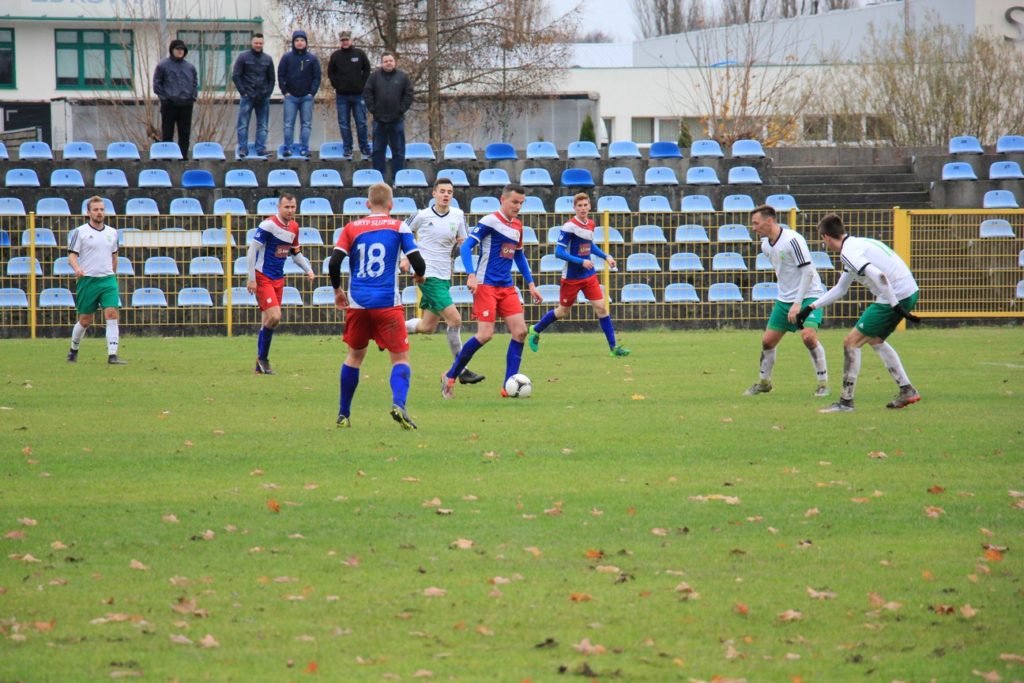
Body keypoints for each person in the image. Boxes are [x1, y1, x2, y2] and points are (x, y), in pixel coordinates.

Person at [795, 213, 922, 413]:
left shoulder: (849, 253)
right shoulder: (856, 245)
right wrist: (810, 308)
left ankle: (846, 402)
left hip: (894, 295)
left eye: (823, 240)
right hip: (908, 290)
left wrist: (895, 305)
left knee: (851, 342)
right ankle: (907, 389)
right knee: (874, 340)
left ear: (827, 237)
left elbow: (879, 276)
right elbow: (840, 289)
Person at [328, 182, 426, 429]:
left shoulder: (351, 228)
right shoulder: (399, 226)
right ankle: (399, 405)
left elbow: (334, 262)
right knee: (400, 358)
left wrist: (338, 291)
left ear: (367, 204)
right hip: (387, 303)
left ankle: (343, 414)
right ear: (391, 205)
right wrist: (420, 275)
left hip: (358, 303)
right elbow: (417, 261)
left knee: (354, 357)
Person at [441, 184, 543, 399]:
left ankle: (509, 386)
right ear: (502, 199)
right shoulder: (490, 221)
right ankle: (450, 375)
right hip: (486, 285)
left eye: (521, 203)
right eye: (514, 202)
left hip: (506, 286)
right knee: (485, 335)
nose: (518, 207)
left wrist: (531, 283)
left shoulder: (517, 226)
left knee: (521, 332)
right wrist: (471, 274)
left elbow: (519, 256)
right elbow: (466, 246)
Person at [402, 178, 485, 385]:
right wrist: (404, 258)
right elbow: (400, 232)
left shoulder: (458, 216)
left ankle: (393, 330)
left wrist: (469, 265)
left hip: (444, 275)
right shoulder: (422, 215)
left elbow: (464, 242)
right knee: (455, 320)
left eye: (449, 191)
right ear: (434, 194)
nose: (446, 194)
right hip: (427, 275)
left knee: (427, 326)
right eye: (442, 191)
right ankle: (461, 369)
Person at [527, 192, 630, 357]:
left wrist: (606, 256)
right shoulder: (569, 227)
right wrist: (580, 261)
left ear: (590, 206)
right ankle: (536, 329)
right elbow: (558, 252)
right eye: (579, 206)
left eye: (585, 205)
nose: (583, 208)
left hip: (588, 275)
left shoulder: (590, 223)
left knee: (602, 308)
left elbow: (589, 246)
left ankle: (614, 348)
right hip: (572, 278)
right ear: (574, 208)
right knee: (562, 311)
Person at [744, 204, 829, 397]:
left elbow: (807, 272)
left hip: (809, 294)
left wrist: (798, 303)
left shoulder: (793, 240)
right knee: (767, 342)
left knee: (808, 336)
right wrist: (789, 300)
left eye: (756, 223)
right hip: (785, 299)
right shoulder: (765, 245)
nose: (753, 228)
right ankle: (764, 383)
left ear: (769, 221)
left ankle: (822, 383)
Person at [246, 193, 316, 374]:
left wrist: (307, 269)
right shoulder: (268, 225)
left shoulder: (294, 227)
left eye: (293, 207)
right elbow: (252, 250)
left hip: (278, 278)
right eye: (287, 207)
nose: (290, 210)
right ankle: (263, 359)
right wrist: (251, 278)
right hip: (263, 277)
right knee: (275, 317)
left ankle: (259, 365)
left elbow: (295, 252)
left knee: (267, 322)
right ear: (279, 207)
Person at [66, 196, 127, 365]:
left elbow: (114, 256)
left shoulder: (112, 233)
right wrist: (77, 268)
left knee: (112, 313)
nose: (99, 213)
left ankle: (112, 355)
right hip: (88, 280)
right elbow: (71, 255)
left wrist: (112, 275)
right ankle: (73, 349)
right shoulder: (80, 232)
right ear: (88, 212)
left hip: (107, 280)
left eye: (101, 209)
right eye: (96, 210)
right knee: (85, 320)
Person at [363, 51, 413, 181]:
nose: (388, 63)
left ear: (394, 62)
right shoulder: (374, 77)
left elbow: (409, 95)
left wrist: (401, 110)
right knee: (378, 151)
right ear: (381, 63)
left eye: (390, 60)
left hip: (397, 121)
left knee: (398, 151)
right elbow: (367, 94)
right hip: (379, 121)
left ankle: (398, 179)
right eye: (385, 61)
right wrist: (374, 110)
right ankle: (378, 179)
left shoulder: (403, 77)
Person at [327, 30, 371, 160]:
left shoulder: (360, 54)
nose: (345, 42)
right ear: (340, 42)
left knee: (361, 122)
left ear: (351, 40)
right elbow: (331, 73)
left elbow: (367, 69)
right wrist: (337, 86)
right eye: (342, 40)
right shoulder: (335, 56)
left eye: (347, 40)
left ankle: (364, 147)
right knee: (344, 123)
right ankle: (347, 148)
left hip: (359, 95)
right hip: (342, 96)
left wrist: (362, 85)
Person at [277, 30, 321, 158]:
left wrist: (312, 93)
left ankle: (304, 148)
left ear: (306, 42)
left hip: (306, 98)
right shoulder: (286, 58)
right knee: (288, 124)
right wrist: (285, 92)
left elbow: (317, 77)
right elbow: (281, 75)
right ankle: (288, 148)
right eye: (297, 40)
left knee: (306, 124)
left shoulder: (312, 59)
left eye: (302, 40)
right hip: (291, 98)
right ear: (293, 42)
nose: (299, 43)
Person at [232, 32, 275, 158]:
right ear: (252, 42)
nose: (258, 45)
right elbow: (236, 76)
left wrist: (268, 93)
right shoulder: (243, 57)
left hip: (263, 97)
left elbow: (272, 79)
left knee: (263, 125)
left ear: (263, 44)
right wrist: (243, 92)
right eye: (256, 43)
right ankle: (243, 149)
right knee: (243, 124)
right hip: (247, 96)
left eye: (260, 43)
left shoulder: (268, 59)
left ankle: (261, 148)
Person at [153, 39, 198, 159]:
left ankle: (183, 157)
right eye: (177, 49)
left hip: (186, 104)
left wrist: (192, 97)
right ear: (172, 50)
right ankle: (167, 157)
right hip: (169, 104)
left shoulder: (190, 67)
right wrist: (165, 99)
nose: (180, 51)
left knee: (185, 133)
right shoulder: (162, 66)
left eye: (182, 49)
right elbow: (157, 84)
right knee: (167, 132)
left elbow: (195, 83)